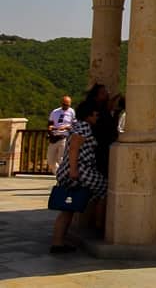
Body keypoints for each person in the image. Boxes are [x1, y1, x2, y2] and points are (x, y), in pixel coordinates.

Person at [50, 99, 107, 254]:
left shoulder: (76, 125)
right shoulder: (83, 126)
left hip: (70, 170)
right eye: (95, 115)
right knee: (104, 189)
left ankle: (57, 242)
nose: (97, 118)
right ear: (89, 115)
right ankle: (100, 226)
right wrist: (74, 170)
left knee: (67, 209)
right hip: (80, 170)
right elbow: (75, 147)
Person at [84, 84, 118, 177]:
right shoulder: (94, 112)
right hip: (98, 150)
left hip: (106, 149)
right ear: (96, 97)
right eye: (103, 93)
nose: (107, 94)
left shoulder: (104, 111)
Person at [46, 95, 75, 174]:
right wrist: (50, 127)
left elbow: (75, 125)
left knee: (61, 159)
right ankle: (58, 173)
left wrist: (66, 127)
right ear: (61, 103)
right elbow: (50, 123)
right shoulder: (55, 112)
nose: (66, 106)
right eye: (64, 104)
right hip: (54, 137)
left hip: (64, 137)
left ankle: (61, 175)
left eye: (68, 105)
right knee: (50, 159)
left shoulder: (72, 112)